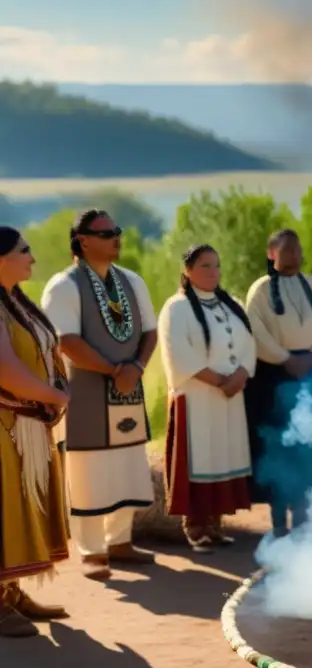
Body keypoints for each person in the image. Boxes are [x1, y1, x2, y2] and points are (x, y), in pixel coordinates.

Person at [41, 210, 157, 581]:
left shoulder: (132, 281)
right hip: (86, 391)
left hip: (128, 387)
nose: (116, 238)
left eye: (117, 231)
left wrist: (135, 368)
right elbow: (66, 341)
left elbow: (150, 333)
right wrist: (113, 370)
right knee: (89, 470)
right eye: (107, 233)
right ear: (83, 240)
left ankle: (120, 541)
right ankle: (92, 551)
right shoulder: (64, 285)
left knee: (127, 465)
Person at [159, 245, 256, 553]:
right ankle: (195, 526)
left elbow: (248, 344)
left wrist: (240, 375)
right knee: (198, 456)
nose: (213, 272)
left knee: (222, 455)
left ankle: (215, 525)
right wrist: (218, 380)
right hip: (198, 396)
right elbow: (177, 351)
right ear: (187, 270)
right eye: (204, 266)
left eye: (216, 265)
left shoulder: (232, 305)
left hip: (229, 397)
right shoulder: (176, 308)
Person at [0, 228, 72, 638]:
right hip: (5, 425)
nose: (32, 258)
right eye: (24, 251)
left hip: (26, 424)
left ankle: (10, 592)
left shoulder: (13, 302)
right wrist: (55, 395)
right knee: (5, 505)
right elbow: (6, 371)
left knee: (24, 507)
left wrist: (53, 393)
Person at [245, 229, 312, 538]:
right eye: (287, 250)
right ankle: (276, 520)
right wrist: (285, 357)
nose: (295, 256)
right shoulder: (259, 290)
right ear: (272, 253)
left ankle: (302, 516)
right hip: (273, 377)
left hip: (309, 373)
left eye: (298, 250)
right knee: (277, 447)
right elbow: (255, 330)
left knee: (307, 446)